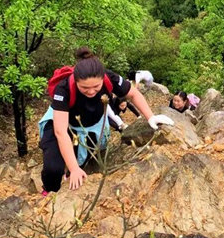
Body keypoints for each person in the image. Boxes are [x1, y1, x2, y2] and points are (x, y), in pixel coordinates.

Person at [39, 48, 173, 194]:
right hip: (65, 124)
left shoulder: (109, 78)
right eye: (84, 88)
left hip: (92, 125)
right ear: (75, 81)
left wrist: (150, 117)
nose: (91, 92)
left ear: (102, 79)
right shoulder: (64, 88)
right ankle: (49, 190)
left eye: (96, 87)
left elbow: (133, 94)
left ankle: (72, 174)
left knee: (83, 159)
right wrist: (73, 168)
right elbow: (60, 131)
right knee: (53, 169)